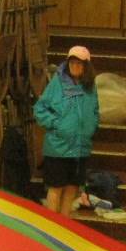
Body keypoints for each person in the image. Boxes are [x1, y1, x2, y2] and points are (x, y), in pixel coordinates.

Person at [34, 45, 99, 216]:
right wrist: (57, 124)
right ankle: (52, 228)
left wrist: (91, 126)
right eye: (72, 62)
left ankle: (64, 226)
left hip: (80, 148)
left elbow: (95, 111)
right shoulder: (57, 83)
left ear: (86, 66)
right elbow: (40, 109)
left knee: (72, 188)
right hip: (58, 148)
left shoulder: (90, 87)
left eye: (79, 63)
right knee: (55, 188)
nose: (75, 66)